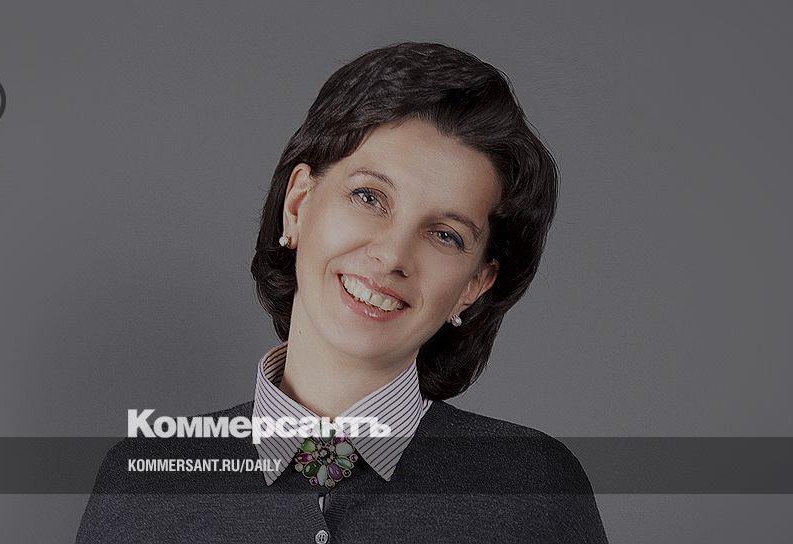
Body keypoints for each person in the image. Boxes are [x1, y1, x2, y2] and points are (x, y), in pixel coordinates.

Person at [77, 41, 608, 543]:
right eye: (369, 197)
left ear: (474, 284)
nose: (393, 255)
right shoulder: (143, 488)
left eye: (445, 235)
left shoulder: (535, 492)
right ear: (297, 205)